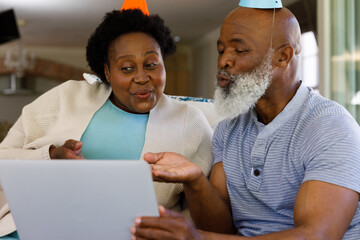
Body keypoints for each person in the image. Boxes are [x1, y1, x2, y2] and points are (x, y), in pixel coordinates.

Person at [130, 2, 360, 240]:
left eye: (239, 51)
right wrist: (196, 180)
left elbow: (317, 236)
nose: (223, 62)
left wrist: (199, 239)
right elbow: (221, 228)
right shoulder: (228, 128)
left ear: (282, 57)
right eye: (221, 50)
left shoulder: (330, 128)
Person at [0, 7, 214, 240]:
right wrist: (50, 156)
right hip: (30, 231)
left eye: (151, 64)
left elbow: (205, 219)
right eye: (127, 68)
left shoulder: (190, 122)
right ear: (107, 72)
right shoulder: (66, 97)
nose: (142, 77)